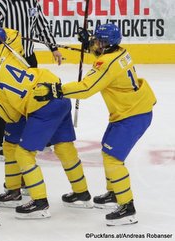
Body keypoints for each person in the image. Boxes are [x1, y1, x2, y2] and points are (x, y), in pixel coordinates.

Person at [33, 23, 156, 226]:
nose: (95, 43)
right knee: (108, 151)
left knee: (112, 158)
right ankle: (115, 193)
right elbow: (104, 60)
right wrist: (88, 43)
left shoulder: (106, 62)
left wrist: (55, 90)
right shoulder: (120, 52)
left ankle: (127, 207)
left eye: (98, 40)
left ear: (106, 44)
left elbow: (86, 88)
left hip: (132, 115)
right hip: (132, 109)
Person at [0, 26, 92, 219]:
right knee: (62, 147)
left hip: (42, 107)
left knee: (23, 153)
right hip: (56, 92)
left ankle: (39, 202)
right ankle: (81, 192)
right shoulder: (7, 51)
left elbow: (12, 117)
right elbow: (15, 34)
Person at [0, 0, 63, 161]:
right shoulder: (2, 5)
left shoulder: (33, 3)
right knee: (8, 100)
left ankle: (39, 136)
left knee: (34, 97)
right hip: (10, 59)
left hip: (28, 57)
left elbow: (42, 26)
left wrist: (53, 47)